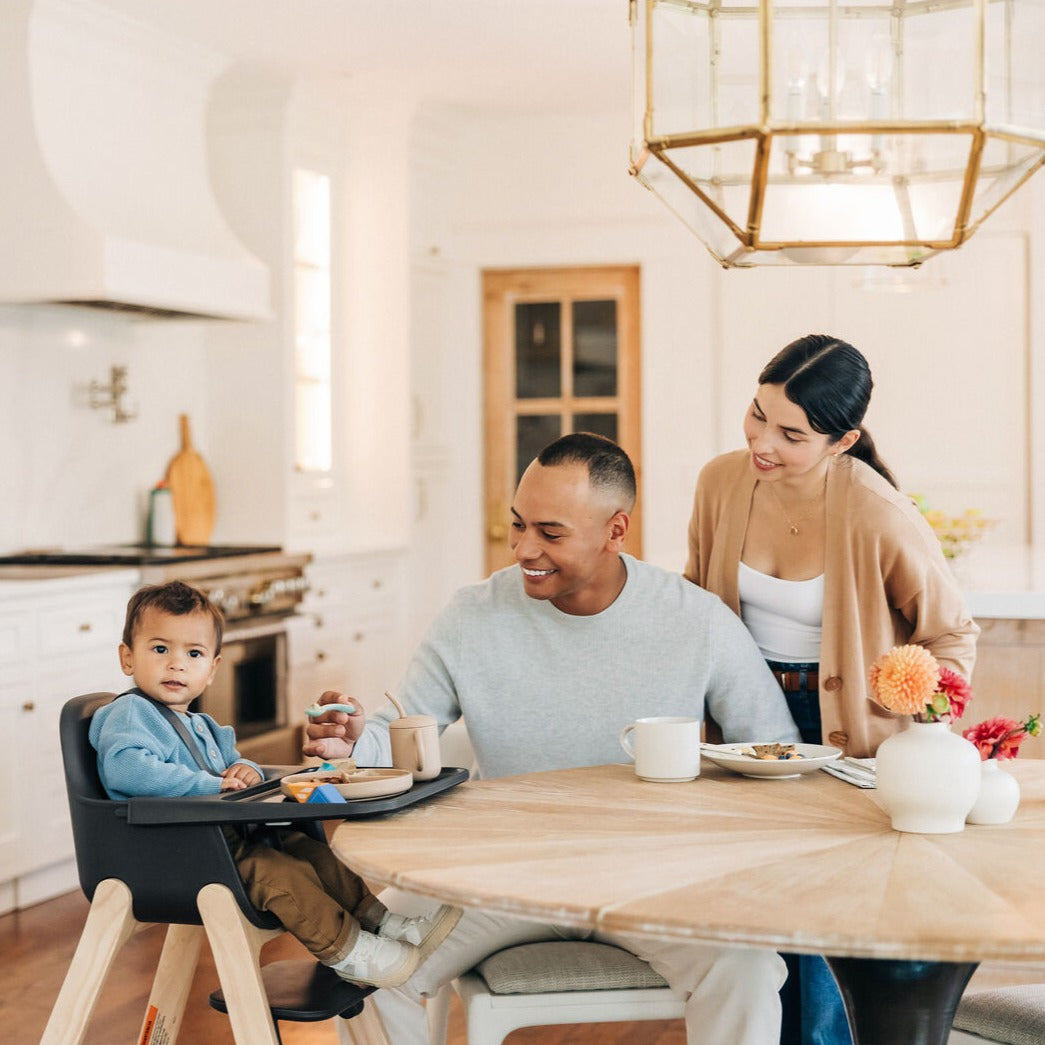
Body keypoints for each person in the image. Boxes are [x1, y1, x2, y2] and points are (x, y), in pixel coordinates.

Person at [305, 432, 802, 1045]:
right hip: (499, 874)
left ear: (616, 529)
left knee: (749, 971)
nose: (523, 548)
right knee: (365, 968)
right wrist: (355, 741)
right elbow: (403, 730)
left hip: (654, 878)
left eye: (550, 532)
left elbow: (774, 751)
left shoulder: (696, 619)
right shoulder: (473, 615)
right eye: (517, 525)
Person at [683, 333, 979, 1045]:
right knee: (754, 914)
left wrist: (914, 712)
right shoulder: (720, 482)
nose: (762, 440)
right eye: (756, 414)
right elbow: (694, 603)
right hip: (743, 724)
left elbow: (950, 634)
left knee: (821, 930)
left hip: (842, 732)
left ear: (842, 439)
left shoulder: (877, 513)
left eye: (790, 433)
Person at [90, 580, 461, 989]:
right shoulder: (128, 714)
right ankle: (350, 953)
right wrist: (210, 783)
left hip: (224, 842)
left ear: (211, 669)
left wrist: (245, 770)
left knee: (310, 851)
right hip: (179, 854)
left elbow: (234, 765)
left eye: (192, 653)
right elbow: (126, 770)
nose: (176, 664)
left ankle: (382, 923)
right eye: (160, 649)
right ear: (127, 657)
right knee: (280, 876)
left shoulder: (205, 726)